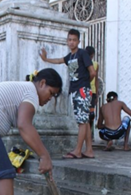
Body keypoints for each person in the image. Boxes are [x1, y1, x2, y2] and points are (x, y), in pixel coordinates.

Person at [40, 28, 96, 159]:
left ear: (78, 41)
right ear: (67, 41)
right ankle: (89, 150)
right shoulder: (70, 56)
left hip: (82, 90)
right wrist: (46, 59)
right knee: (84, 120)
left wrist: (84, 84)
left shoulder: (82, 54)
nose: (71, 42)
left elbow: (92, 72)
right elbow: (60, 60)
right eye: (69, 40)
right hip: (76, 90)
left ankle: (77, 150)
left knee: (81, 121)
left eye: (74, 40)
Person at [85, 46, 99, 139]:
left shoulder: (95, 64)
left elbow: (96, 79)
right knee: (84, 114)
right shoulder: (83, 63)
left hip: (92, 92)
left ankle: (89, 133)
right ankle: (85, 133)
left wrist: (97, 93)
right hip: (84, 91)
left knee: (91, 114)